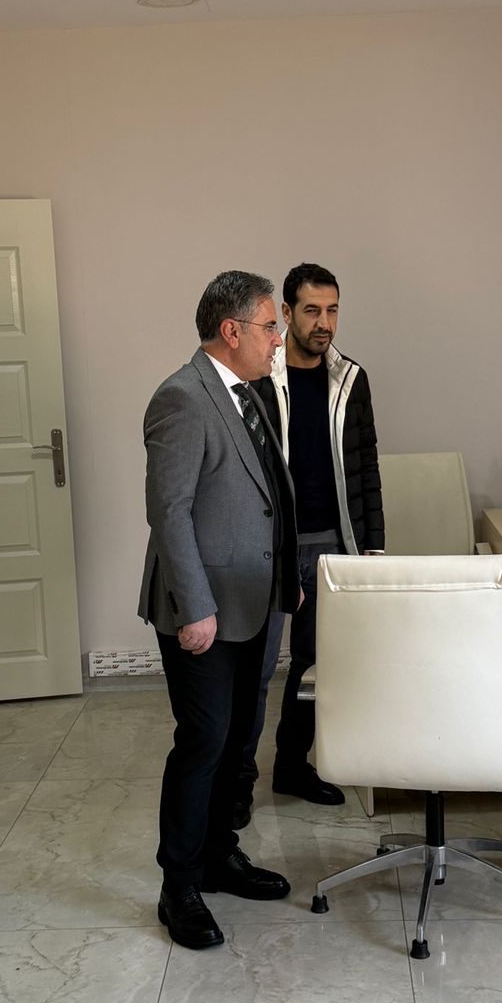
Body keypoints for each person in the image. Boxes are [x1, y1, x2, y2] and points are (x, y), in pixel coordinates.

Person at [140, 271, 300, 949]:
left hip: (257, 600)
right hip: (204, 608)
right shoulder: (182, 397)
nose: (278, 338)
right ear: (231, 331)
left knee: (238, 738)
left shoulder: (250, 393)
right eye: (269, 326)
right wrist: (195, 609)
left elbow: (269, 496)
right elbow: (169, 513)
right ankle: (178, 886)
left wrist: (286, 575)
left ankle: (217, 854)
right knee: (203, 741)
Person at [234, 262, 385, 823]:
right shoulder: (258, 377)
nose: (324, 323)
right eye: (312, 310)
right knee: (254, 670)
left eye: (333, 310)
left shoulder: (351, 378)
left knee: (314, 667)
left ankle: (293, 767)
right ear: (288, 313)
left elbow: (366, 466)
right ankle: (236, 787)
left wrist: (372, 546)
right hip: (270, 547)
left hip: (332, 545)